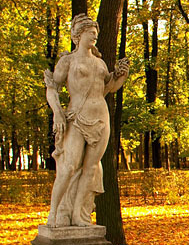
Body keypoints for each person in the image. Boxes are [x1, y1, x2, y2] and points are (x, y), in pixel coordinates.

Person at [44, 14, 129, 227]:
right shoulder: (68, 61)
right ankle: (55, 212)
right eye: (91, 33)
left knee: (91, 167)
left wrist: (121, 77)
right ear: (78, 35)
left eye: (96, 34)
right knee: (69, 166)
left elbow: (107, 89)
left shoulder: (100, 64)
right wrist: (57, 112)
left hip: (100, 118)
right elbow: (52, 88)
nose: (95, 37)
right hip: (77, 117)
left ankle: (79, 216)